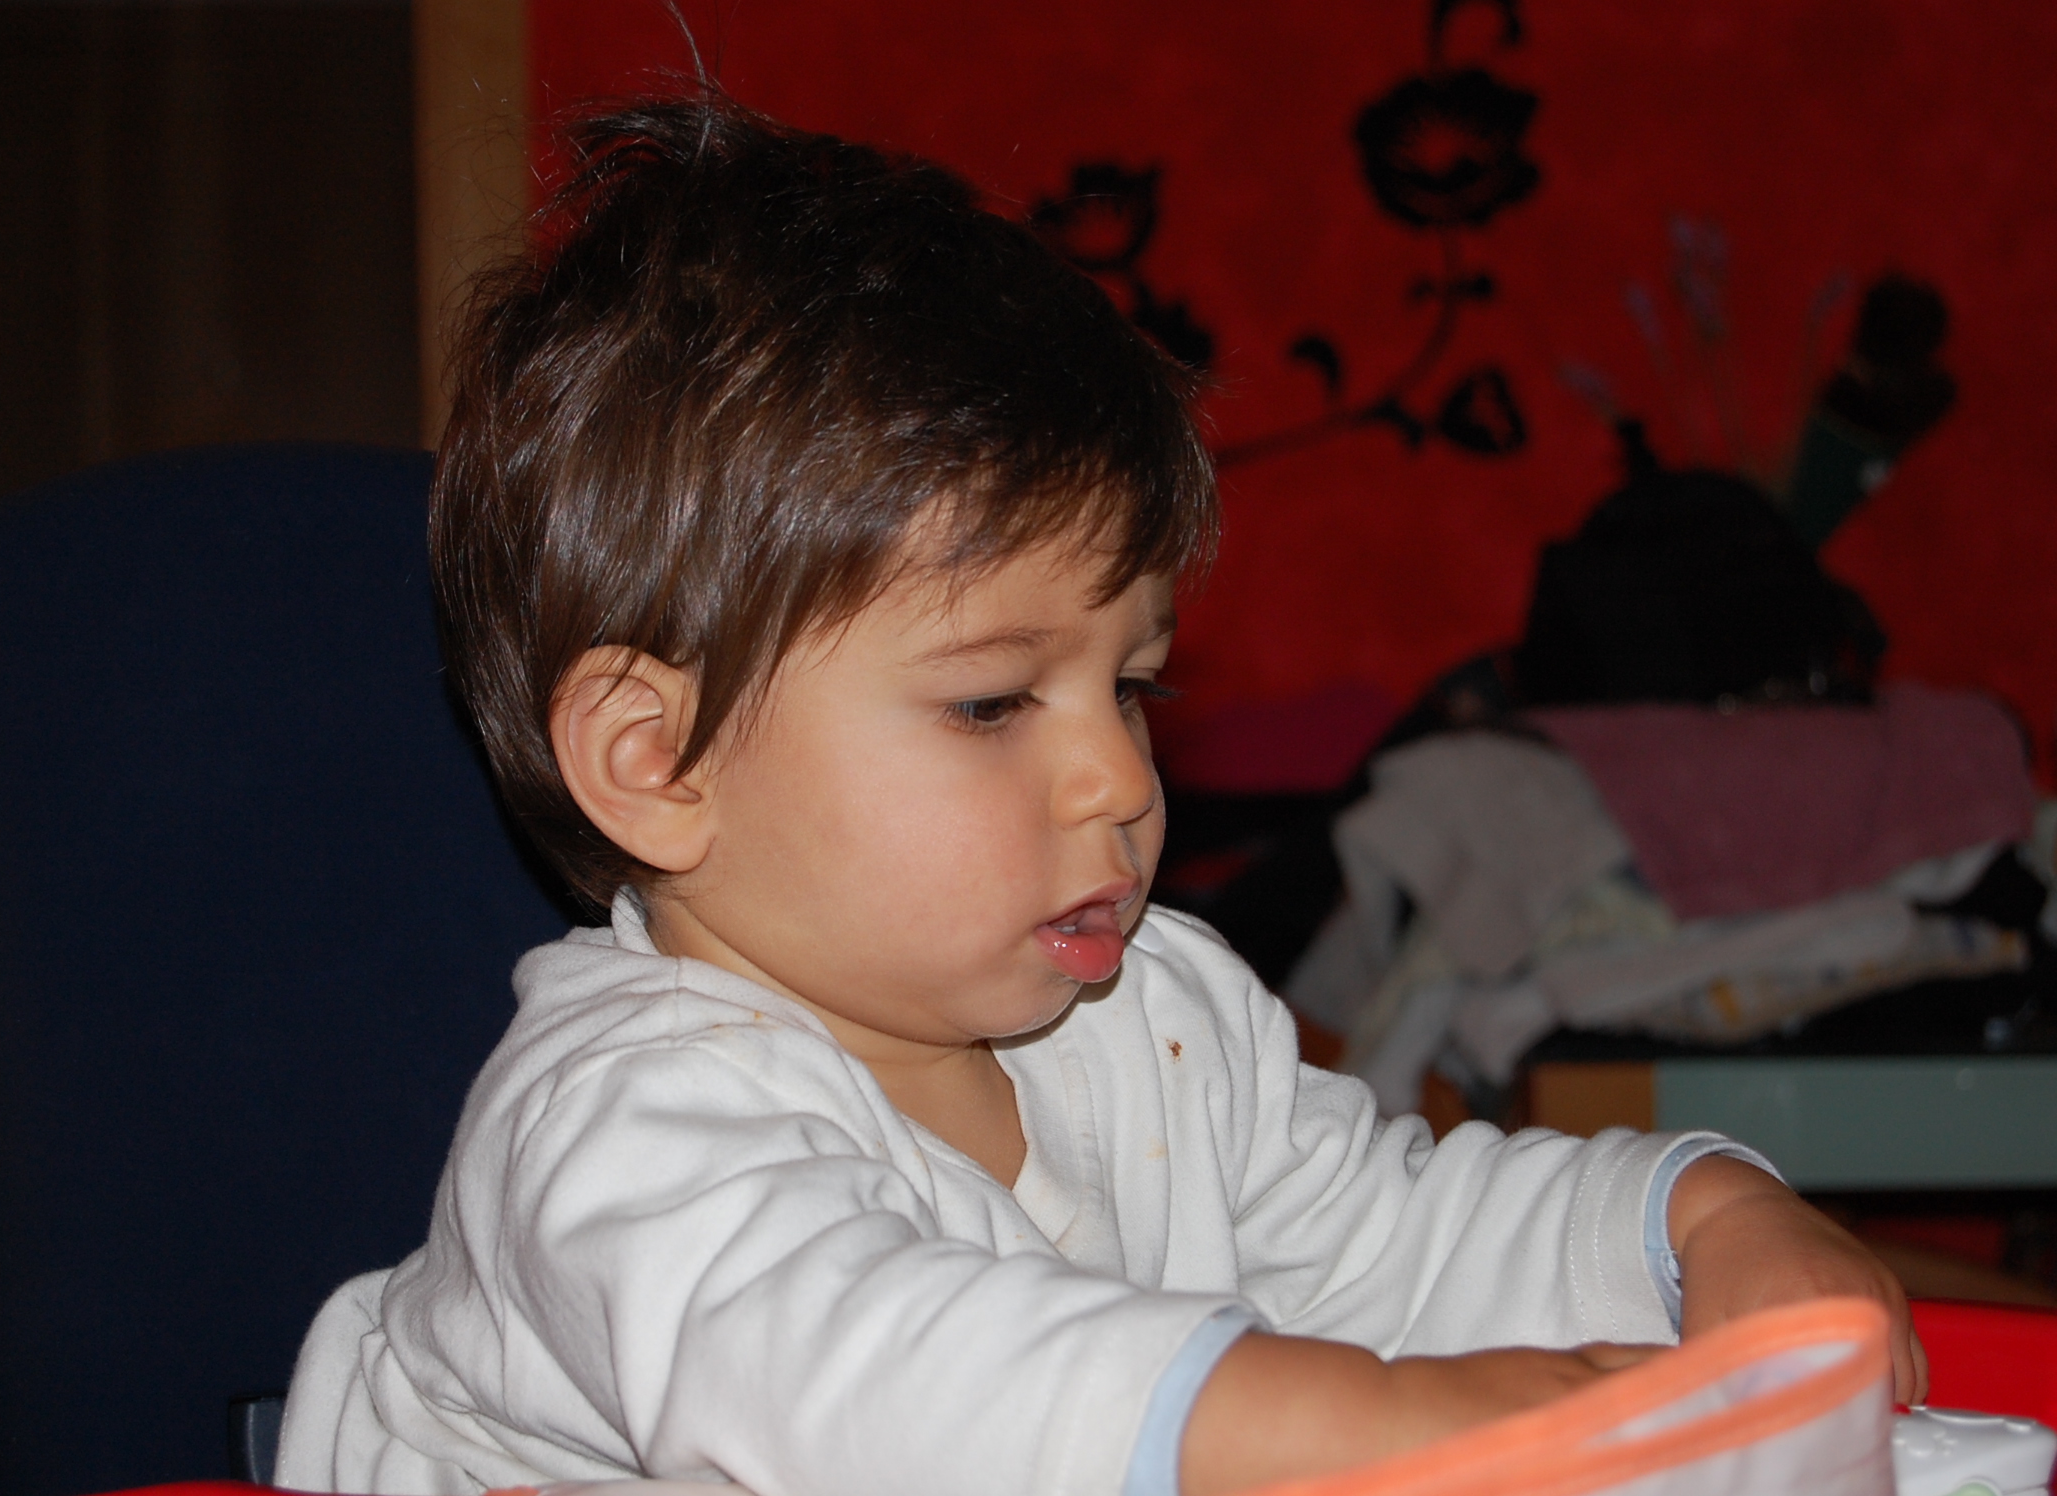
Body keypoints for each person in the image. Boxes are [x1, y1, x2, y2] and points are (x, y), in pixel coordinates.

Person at [276, 91, 1919, 1496]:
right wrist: (1360, 1420)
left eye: (1130, 684)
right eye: (993, 702)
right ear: (658, 761)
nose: (1120, 779)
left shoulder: (1154, 1023)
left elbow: (1391, 1235)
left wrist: (1695, 1220)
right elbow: (901, 1381)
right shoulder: (618, 1133)